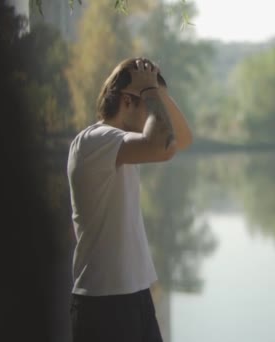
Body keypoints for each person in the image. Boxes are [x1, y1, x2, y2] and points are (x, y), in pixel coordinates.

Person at [66, 57, 193, 342]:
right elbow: (162, 146)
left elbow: (181, 139)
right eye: (147, 105)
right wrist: (149, 92)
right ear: (127, 101)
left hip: (133, 296)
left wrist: (156, 91)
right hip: (103, 304)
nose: (152, 113)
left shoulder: (121, 144)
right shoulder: (94, 141)